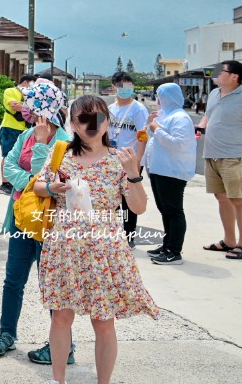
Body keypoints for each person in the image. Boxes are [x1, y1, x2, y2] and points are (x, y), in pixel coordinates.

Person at [35, 94, 158, 384]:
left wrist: (133, 175)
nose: (91, 124)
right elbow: (39, 185)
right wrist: (52, 188)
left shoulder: (121, 159)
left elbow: (139, 207)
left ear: (107, 122)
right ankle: (58, 380)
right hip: (64, 246)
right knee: (61, 317)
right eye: (83, 118)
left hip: (104, 250)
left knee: (103, 322)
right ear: (73, 124)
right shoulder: (61, 155)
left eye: (98, 117)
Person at [0, 81, 73, 366]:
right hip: (22, 217)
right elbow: (8, 167)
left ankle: (63, 346)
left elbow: (47, 176)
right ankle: (6, 333)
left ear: (44, 109)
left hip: (48, 223)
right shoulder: (25, 136)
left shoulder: (63, 141)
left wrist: (39, 156)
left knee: (50, 284)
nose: (27, 110)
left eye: (32, 106)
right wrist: (31, 186)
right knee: (13, 279)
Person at [143, 83, 197, 265]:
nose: (157, 100)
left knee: (174, 211)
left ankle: (174, 251)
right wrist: (151, 124)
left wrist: (156, 129)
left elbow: (179, 143)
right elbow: (150, 137)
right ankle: (166, 246)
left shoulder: (180, 118)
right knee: (165, 210)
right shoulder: (165, 115)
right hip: (159, 169)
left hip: (172, 171)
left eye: (159, 96)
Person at [197, 60, 242, 259]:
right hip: (212, 154)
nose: (215, 73)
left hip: (235, 156)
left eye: (220, 71)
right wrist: (201, 125)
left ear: (234, 77)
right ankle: (229, 240)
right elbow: (208, 116)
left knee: (238, 200)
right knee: (221, 197)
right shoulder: (215, 94)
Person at [108, 70, 149, 247]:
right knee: (110, 197)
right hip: (111, 159)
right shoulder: (109, 108)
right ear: (113, 87)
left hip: (129, 160)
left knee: (129, 199)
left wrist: (138, 161)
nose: (125, 89)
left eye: (128, 86)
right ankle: (112, 232)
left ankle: (129, 236)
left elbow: (142, 136)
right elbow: (99, 130)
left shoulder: (138, 109)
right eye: (121, 86)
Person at [0, 74, 34, 195]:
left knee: (21, 157)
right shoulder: (10, 91)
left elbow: (22, 107)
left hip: (24, 129)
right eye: (31, 84)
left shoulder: (30, 95)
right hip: (9, 128)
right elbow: (14, 106)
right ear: (25, 82)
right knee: (8, 155)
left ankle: (15, 181)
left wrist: (24, 106)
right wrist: (28, 107)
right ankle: (5, 184)